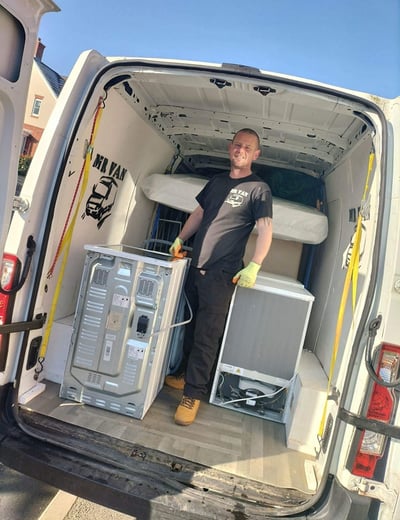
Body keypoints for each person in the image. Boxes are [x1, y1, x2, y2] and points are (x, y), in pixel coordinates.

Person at [166, 128, 273, 426]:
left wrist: (255, 264)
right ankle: (185, 374)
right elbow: (199, 215)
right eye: (237, 144)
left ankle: (193, 394)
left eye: (247, 147)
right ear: (230, 147)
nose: (240, 150)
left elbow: (265, 228)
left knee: (207, 336)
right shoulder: (216, 183)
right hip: (196, 267)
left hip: (222, 273)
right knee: (190, 326)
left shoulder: (258, 188)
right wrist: (179, 238)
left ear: (256, 154)